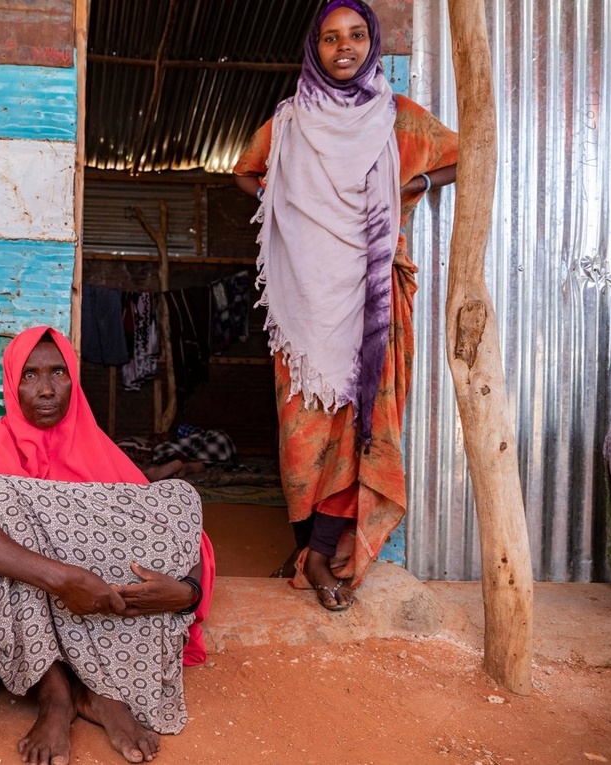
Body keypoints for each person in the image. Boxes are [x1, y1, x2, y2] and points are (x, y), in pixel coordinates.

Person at [232, 0, 459, 610]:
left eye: (356, 36)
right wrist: (289, 211)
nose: (345, 48)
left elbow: (463, 156)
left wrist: (416, 184)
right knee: (302, 437)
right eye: (331, 38)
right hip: (304, 307)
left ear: (372, 42)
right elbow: (246, 173)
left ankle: (317, 555)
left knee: (359, 427)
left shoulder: (399, 121)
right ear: (316, 48)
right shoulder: (289, 122)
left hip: (372, 304)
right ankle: (310, 549)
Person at [0, 326, 216, 765]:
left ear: (74, 379)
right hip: (41, 597)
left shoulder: (100, 451)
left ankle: (99, 691)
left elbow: (175, 532)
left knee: (177, 496)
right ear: (10, 382)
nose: (45, 389)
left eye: (58, 372)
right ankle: (56, 693)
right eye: (30, 375)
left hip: (97, 605)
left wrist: (186, 593)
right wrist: (62, 579)